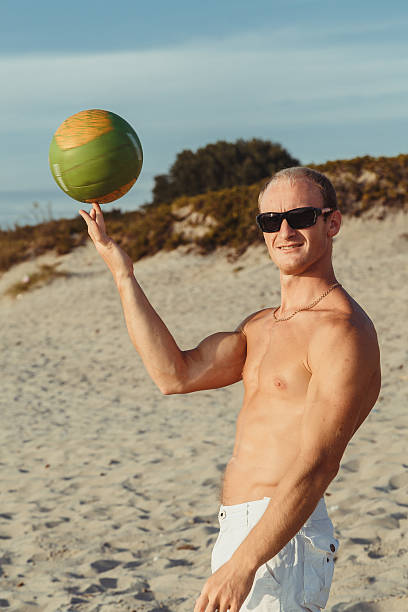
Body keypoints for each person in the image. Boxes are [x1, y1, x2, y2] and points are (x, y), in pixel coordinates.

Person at [79, 166, 381, 612]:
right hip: (240, 532)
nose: (284, 231)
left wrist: (244, 565)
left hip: (284, 538)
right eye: (269, 220)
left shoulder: (342, 331)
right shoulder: (260, 326)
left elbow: (319, 466)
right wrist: (123, 274)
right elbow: (174, 375)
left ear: (331, 223)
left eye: (300, 216)